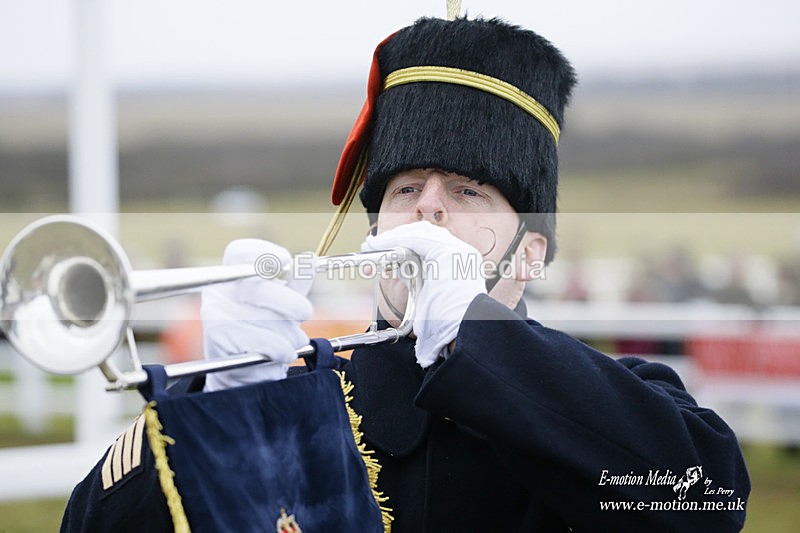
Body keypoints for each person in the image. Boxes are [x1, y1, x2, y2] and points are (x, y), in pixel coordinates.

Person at [61, 16, 750, 532]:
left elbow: (711, 501)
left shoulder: (619, 395)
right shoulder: (302, 388)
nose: (428, 209)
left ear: (532, 252)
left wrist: (478, 337)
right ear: (374, 234)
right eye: (406, 190)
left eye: (469, 191)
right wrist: (219, 407)